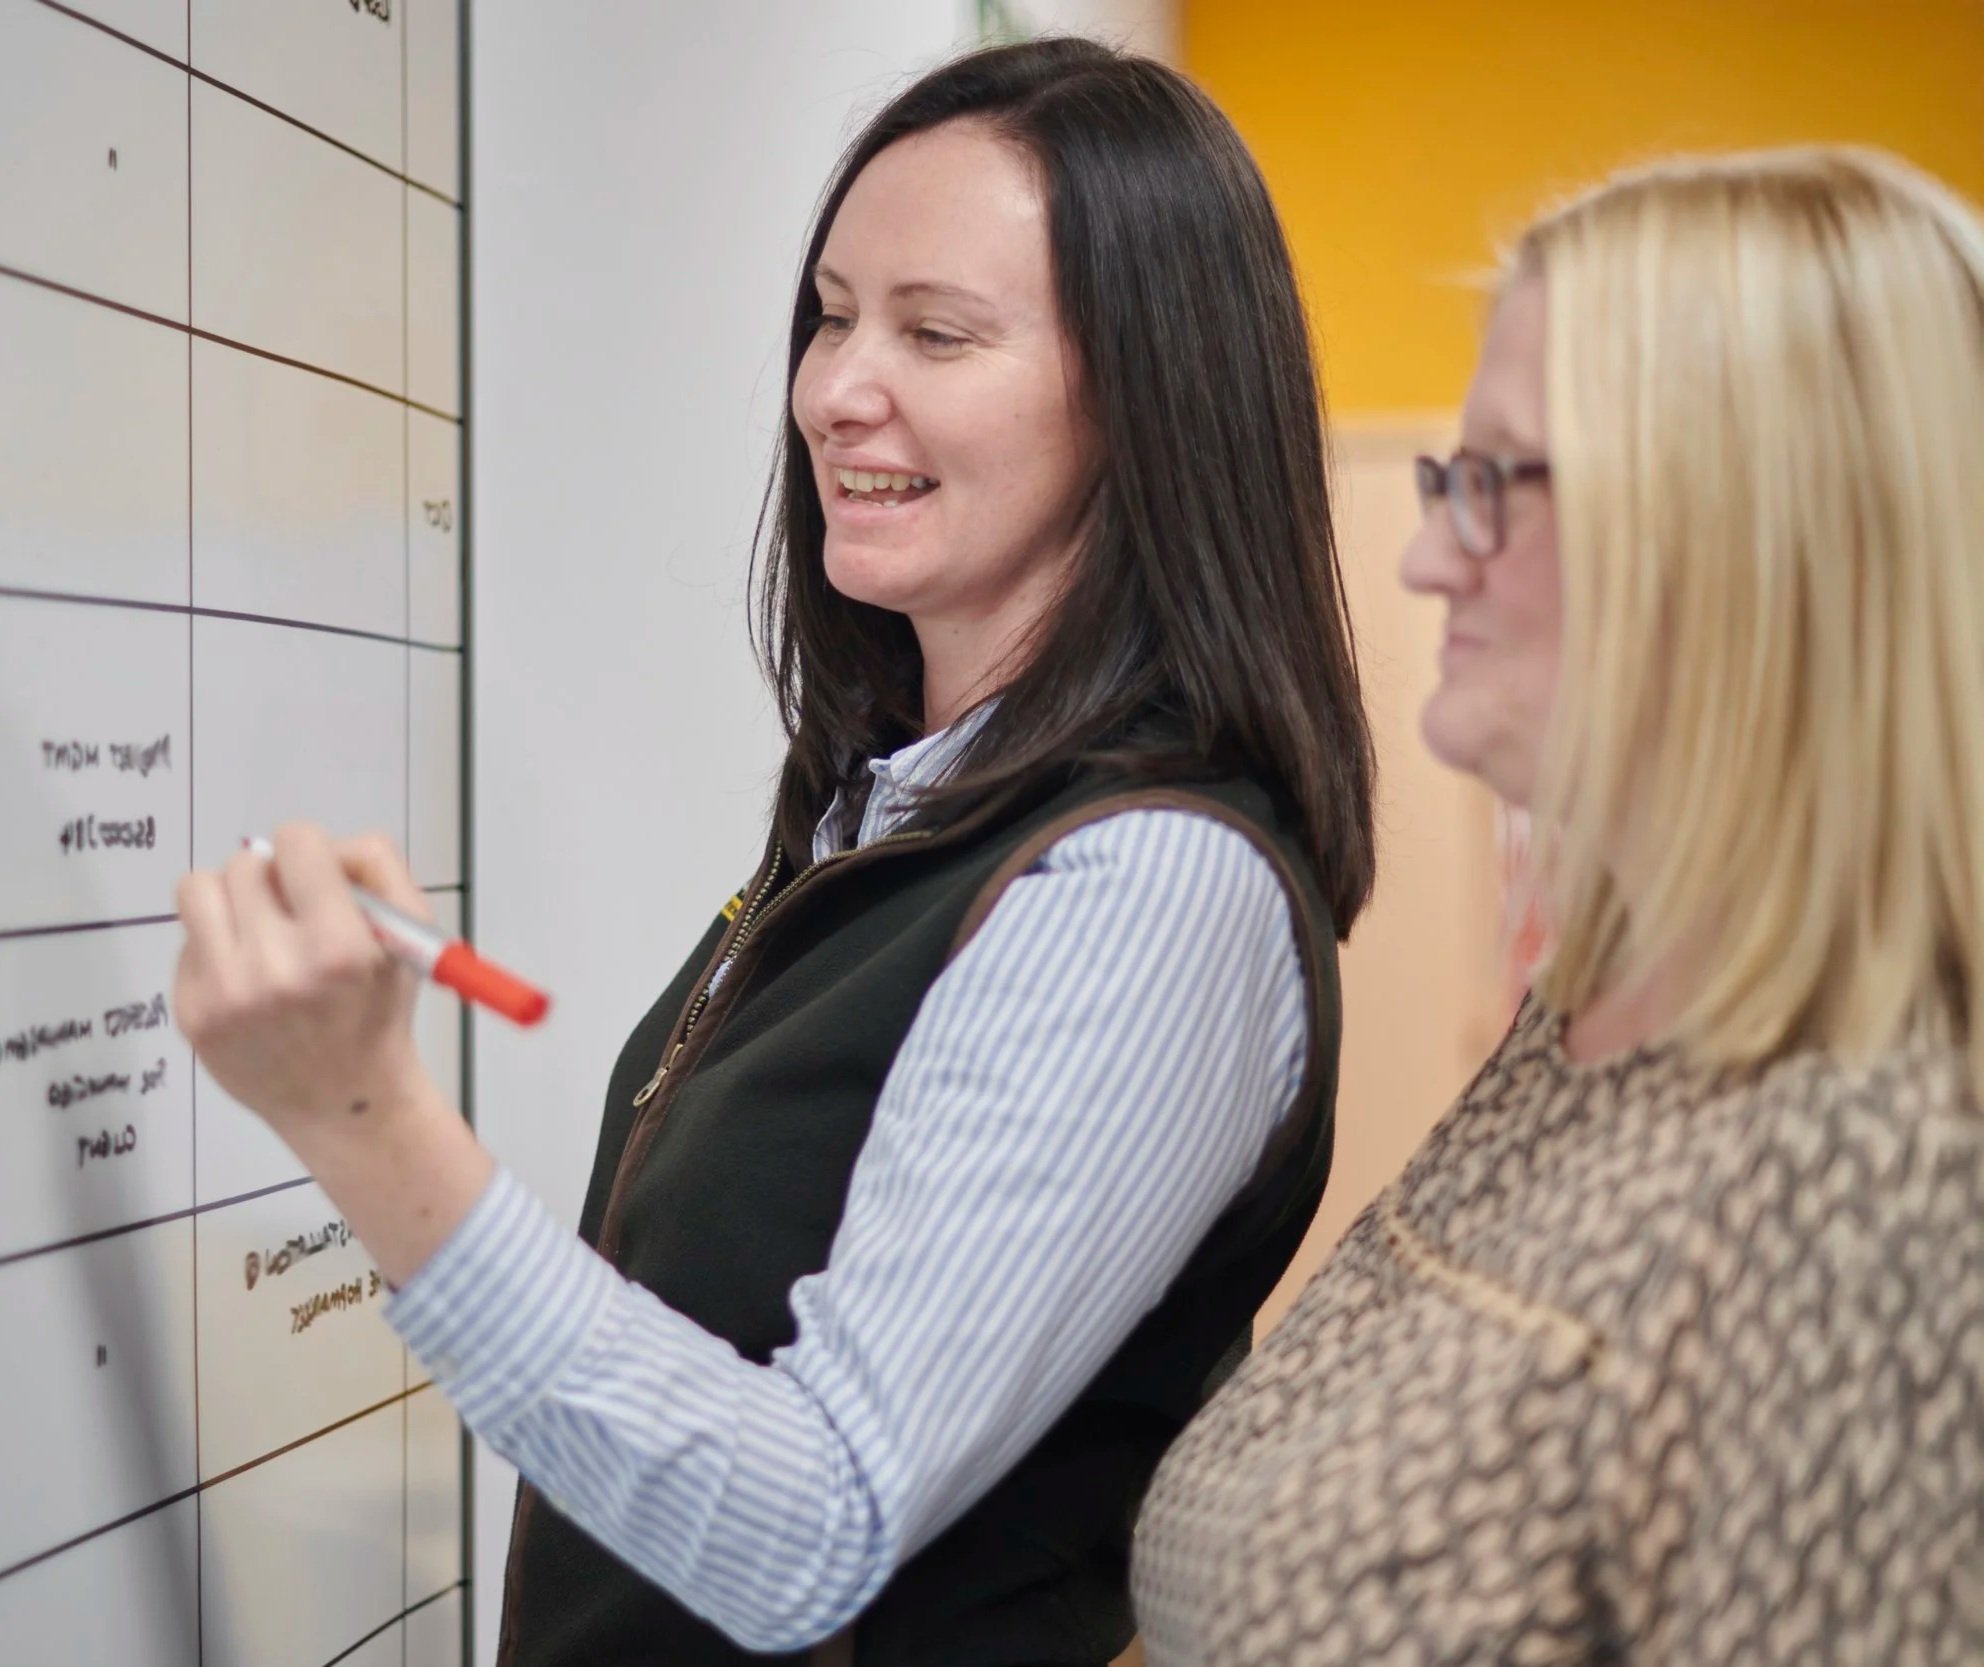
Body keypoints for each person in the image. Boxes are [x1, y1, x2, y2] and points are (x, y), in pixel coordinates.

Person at [172, 37, 1377, 1667]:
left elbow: (810, 1524)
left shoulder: (1151, 891)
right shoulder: (887, 808)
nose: (832, 389)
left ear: (1149, 400)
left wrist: (362, 1119)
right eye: (829, 313)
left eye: (937, 332)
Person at [1133, 144, 1984, 1665]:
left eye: (1491, 485)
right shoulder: (1585, 1023)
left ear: (1743, 538)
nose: (1421, 555)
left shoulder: (1880, 1183)